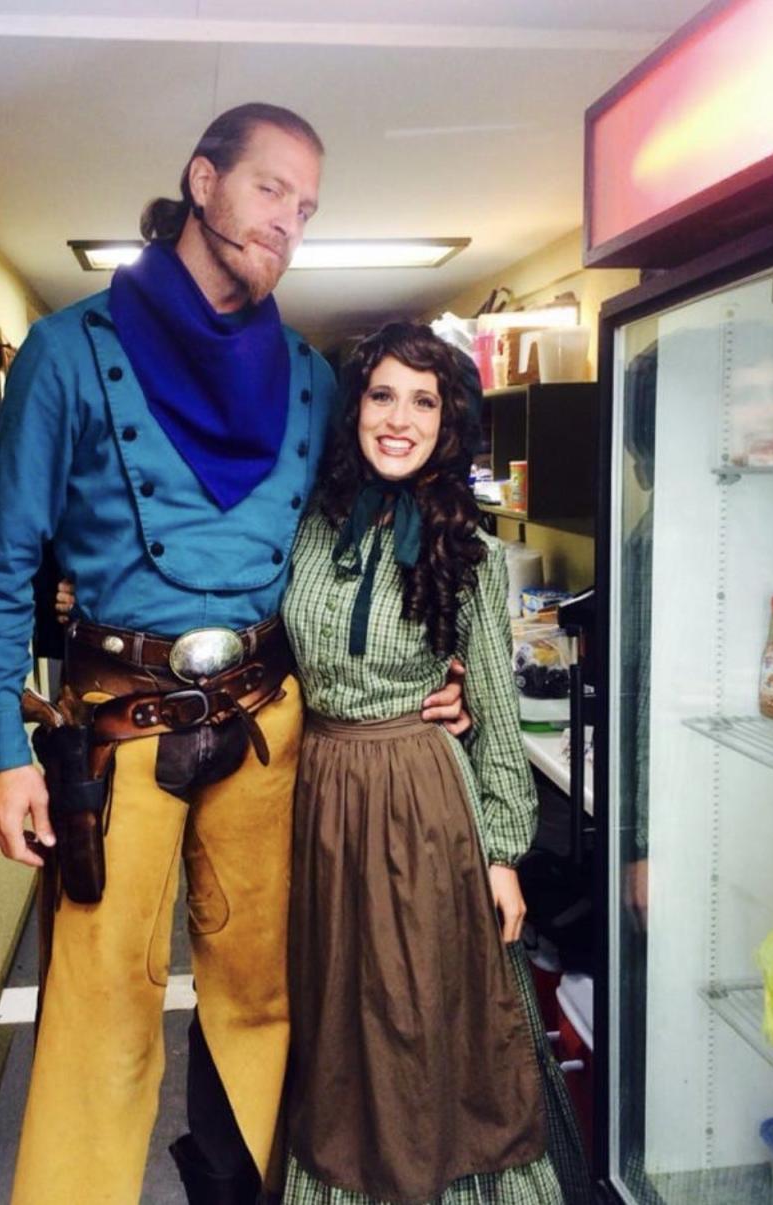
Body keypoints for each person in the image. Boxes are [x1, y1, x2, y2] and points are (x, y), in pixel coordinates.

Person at [0, 103, 466, 1205]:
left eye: (309, 207)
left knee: (263, 991)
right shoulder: (67, 352)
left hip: (268, 716)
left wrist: (439, 663)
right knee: (99, 1006)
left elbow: (378, 521)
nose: (289, 222)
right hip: (117, 724)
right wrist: (3, 744)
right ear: (202, 179)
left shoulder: (313, 375)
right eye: (271, 188)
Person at [279, 322, 565, 1204]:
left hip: (420, 805)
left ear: (448, 423)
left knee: (420, 1013)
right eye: (382, 395)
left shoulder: (468, 554)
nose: (399, 419)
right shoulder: (307, 528)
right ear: (353, 407)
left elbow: (492, 701)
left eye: (424, 401)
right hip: (319, 798)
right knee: (334, 1023)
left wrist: (505, 854)